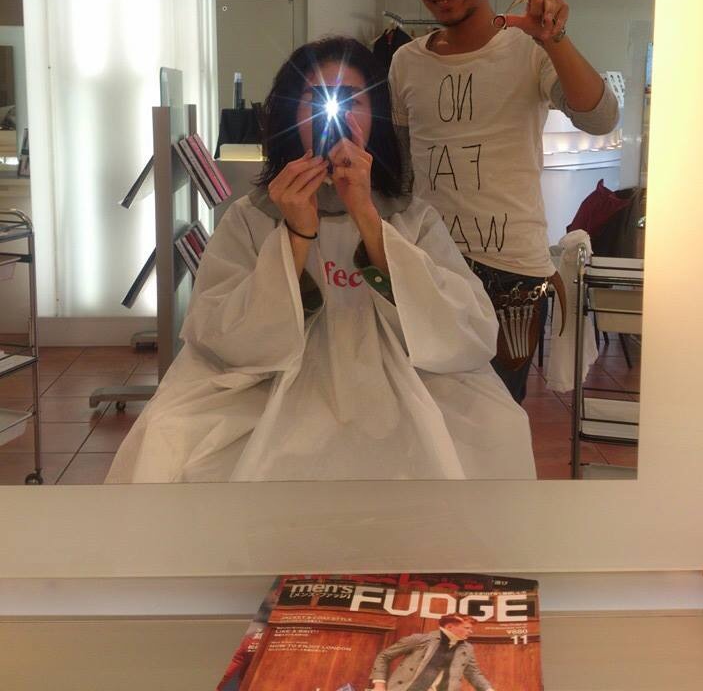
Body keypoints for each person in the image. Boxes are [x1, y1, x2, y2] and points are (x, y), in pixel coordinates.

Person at [106, 37, 536, 482]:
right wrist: (295, 233)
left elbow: (468, 329)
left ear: (375, 118)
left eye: (352, 101)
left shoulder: (412, 217)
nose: (337, 115)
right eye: (318, 101)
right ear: (293, 117)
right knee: (166, 435)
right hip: (273, 374)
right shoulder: (252, 217)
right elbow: (218, 333)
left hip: (397, 372)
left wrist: (367, 216)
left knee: (496, 426)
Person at [389, 0, 619, 403]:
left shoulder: (528, 50)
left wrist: (554, 38)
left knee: (495, 418)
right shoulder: (405, 62)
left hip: (512, 276)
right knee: (427, 415)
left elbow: (600, 116)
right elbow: (405, 174)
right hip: (430, 266)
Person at [369, 614, 495, 691]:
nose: (470, 632)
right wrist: (379, 684)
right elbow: (384, 656)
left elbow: (473, 673)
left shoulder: (466, 648)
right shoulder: (420, 640)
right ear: (449, 627)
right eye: (467, 628)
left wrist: (488, 689)